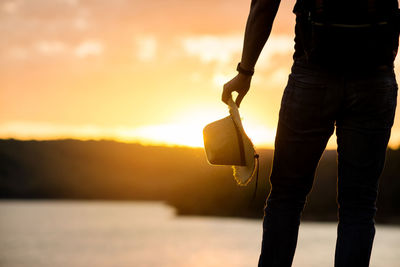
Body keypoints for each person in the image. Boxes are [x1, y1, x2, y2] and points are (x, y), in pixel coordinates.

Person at [222, 0, 399, 266]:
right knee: (359, 206)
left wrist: (245, 71)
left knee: (286, 197)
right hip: (374, 78)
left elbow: (264, 4)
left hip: (313, 75)